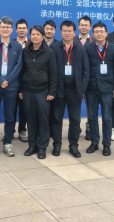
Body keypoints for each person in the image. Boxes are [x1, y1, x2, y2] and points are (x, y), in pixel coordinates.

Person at [50, 20, 89, 158]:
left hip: (75, 90)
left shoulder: (81, 49)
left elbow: (86, 72)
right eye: (64, 31)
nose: (67, 33)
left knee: (75, 120)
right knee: (56, 118)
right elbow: (50, 70)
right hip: (59, 89)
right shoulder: (54, 48)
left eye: (69, 31)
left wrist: (81, 89)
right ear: (61, 32)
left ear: (74, 32)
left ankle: (73, 145)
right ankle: (57, 144)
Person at [0, 16, 23, 157]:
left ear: (12, 30)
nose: (5, 29)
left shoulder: (18, 46)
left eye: (8, 27)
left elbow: (19, 66)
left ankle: (7, 142)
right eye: (3, 27)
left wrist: (7, 80)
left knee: (10, 116)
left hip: (11, 87)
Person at [19, 25, 57, 160]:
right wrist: (21, 89)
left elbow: (53, 74)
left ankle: (42, 147)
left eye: (38, 34)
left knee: (43, 121)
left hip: (43, 91)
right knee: (31, 120)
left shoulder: (49, 52)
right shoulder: (25, 51)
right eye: (33, 34)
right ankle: (32, 145)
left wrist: (52, 92)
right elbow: (21, 71)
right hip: (28, 91)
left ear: (42, 36)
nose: (35, 37)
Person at [85, 22, 114, 156]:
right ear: (93, 33)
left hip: (107, 88)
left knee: (107, 118)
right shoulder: (88, 48)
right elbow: (85, 69)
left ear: (106, 33)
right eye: (96, 31)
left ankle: (106, 144)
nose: (99, 34)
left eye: (101, 31)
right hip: (91, 88)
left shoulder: (113, 48)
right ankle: (94, 142)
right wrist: (84, 88)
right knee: (92, 118)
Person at [74, 15, 92, 140]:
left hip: (90, 79)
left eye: (86, 25)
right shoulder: (72, 40)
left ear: (90, 27)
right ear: (78, 26)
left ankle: (89, 127)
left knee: (90, 105)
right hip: (75, 79)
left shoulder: (95, 40)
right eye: (82, 25)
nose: (84, 27)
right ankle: (76, 128)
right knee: (75, 106)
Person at [13, 19, 29, 142]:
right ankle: (10, 130)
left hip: (26, 81)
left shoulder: (32, 43)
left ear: (27, 29)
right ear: (16, 30)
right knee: (11, 108)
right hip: (13, 80)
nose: (21, 30)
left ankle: (22, 129)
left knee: (24, 108)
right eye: (19, 28)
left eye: (24, 28)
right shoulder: (11, 43)